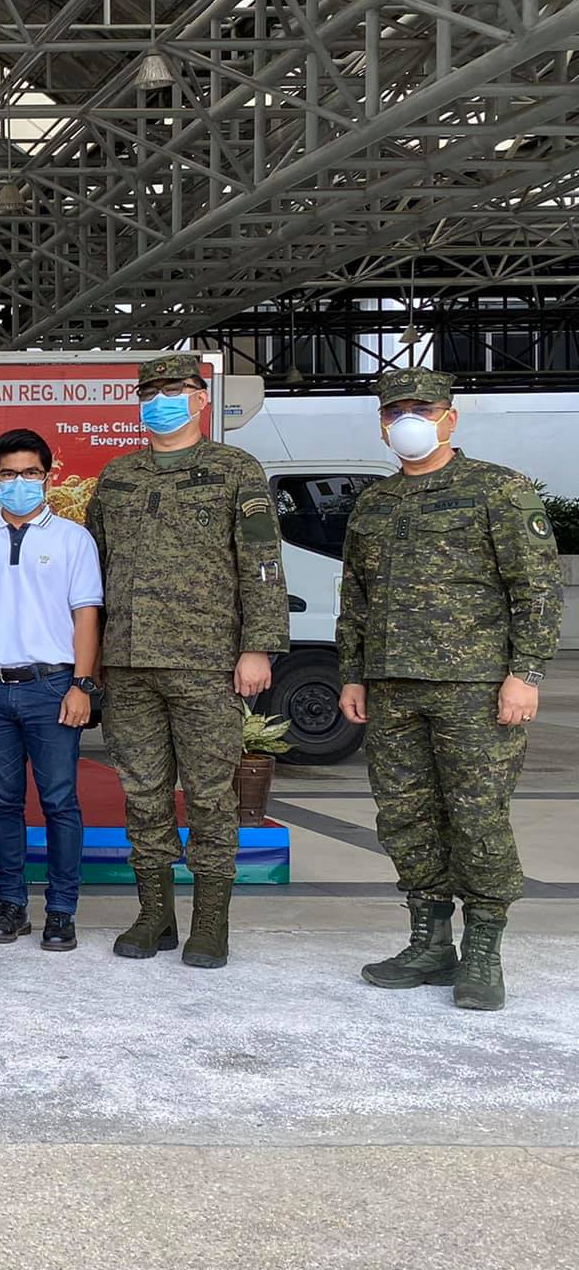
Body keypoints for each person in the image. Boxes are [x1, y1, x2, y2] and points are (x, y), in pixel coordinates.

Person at [337, 369, 561, 1011]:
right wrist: (353, 671)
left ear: (451, 417)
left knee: (477, 818)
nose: (408, 419)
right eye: (395, 410)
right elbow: (354, 595)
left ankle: (484, 950)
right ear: (382, 423)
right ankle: (431, 944)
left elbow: (537, 588)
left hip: (475, 686)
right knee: (405, 818)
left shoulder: (499, 489)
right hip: (391, 686)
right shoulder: (374, 503)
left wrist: (527, 673)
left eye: (422, 407)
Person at [85, 352, 288, 970]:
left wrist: (259, 645)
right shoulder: (118, 476)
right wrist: (90, 663)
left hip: (206, 661)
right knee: (143, 794)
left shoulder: (233, 470)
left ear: (201, 399)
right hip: (127, 662)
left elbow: (261, 562)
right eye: (150, 392)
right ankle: (154, 916)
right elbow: (91, 573)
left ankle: (210, 923)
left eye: (174, 389)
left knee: (208, 796)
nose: (161, 400)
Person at [0, 429, 103, 951]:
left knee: (60, 802)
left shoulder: (72, 539)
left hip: (52, 686)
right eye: (10, 475)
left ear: (48, 476)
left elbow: (86, 616)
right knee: (3, 803)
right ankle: (12, 904)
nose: (20, 483)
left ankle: (62, 910)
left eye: (30, 474)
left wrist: (82, 684)